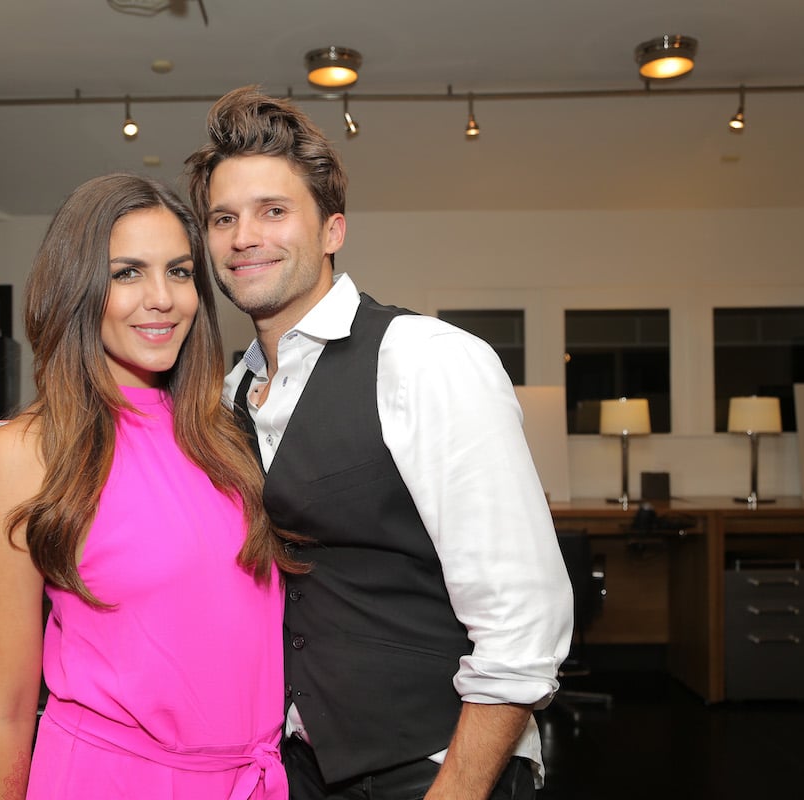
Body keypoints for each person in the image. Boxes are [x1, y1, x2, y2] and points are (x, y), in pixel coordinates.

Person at [185, 87, 575, 800]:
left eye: (274, 211)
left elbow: (525, 621)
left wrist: (454, 789)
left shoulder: (425, 360)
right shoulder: (227, 395)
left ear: (332, 230)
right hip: (295, 767)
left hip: (434, 765)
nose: (245, 236)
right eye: (223, 218)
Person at [0, 173, 302, 800]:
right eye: (126, 273)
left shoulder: (223, 436)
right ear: (77, 289)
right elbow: (1, 716)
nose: (162, 298)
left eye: (178, 271)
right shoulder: (23, 454)